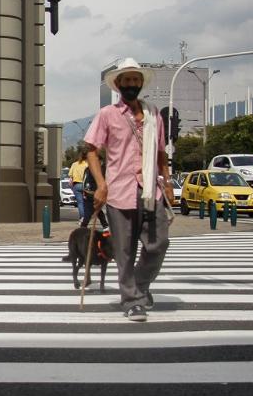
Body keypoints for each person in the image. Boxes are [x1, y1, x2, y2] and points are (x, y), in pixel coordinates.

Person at [84, 57, 174, 322]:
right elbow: (91, 150)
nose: (132, 83)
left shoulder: (153, 114)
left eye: (136, 79)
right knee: (124, 251)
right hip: (119, 191)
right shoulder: (107, 114)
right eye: (127, 80)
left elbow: (161, 152)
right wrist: (101, 185)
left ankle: (139, 285)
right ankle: (132, 300)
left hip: (151, 190)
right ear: (119, 84)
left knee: (159, 244)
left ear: (141, 83)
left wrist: (168, 182)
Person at [79, 155, 110, 229]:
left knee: (94, 211)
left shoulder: (100, 170)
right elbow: (85, 181)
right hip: (88, 193)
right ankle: (84, 227)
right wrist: (85, 191)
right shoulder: (88, 170)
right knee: (92, 212)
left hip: (93, 193)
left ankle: (104, 225)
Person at [67, 153, 88, 224]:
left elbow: (70, 176)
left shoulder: (74, 164)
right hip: (85, 185)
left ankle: (82, 218)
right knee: (87, 203)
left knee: (80, 203)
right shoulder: (87, 164)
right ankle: (86, 218)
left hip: (76, 185)